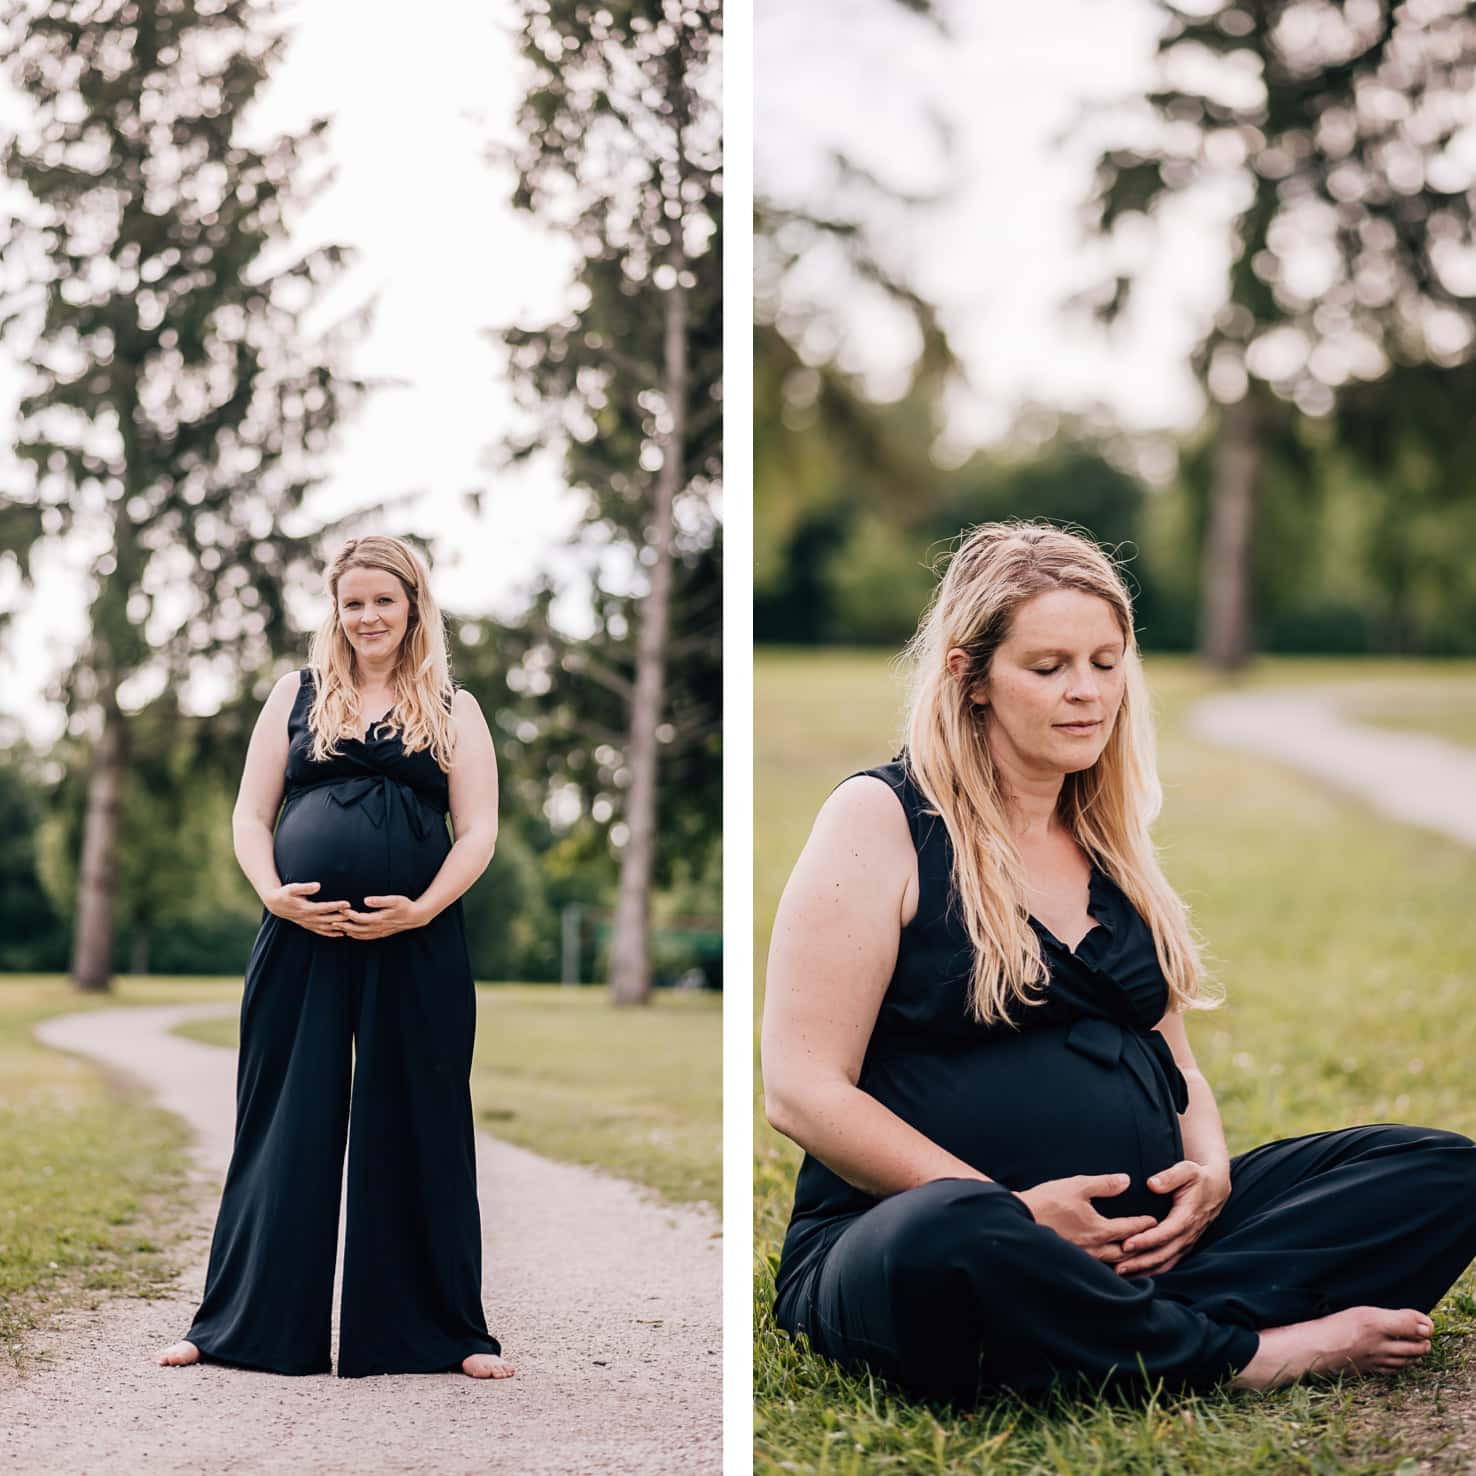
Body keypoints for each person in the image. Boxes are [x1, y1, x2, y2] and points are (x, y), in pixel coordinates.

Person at [761, 521, 1476, 1403]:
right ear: (969, 677)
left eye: (1108, 662)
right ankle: (1250, 1354)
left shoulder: (1108, 839)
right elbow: (801, 1088)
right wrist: (1017, 1214)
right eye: (1049, 666)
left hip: (1141, 1243)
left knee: (1441, 1172)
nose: (1088, 694)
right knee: (949, 1241)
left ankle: (1098, 1324)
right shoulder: (883, 819)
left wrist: (1209, 1171)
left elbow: (1176, 1065)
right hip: (922, 1232)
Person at [157, 535, 513, 1380]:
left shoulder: (455, 709)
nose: (367, 618)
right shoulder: (296, 695)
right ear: (336, 610)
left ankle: (444, 1334)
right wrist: (271, 891)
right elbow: (250, 815)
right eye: (352, 603)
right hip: (300, 937)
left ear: (414, 605)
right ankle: (234, 1328)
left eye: (382, 601)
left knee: (420, 1121)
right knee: (284, 1120)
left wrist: (420, 909)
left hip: (416, 940)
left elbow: (482, 830)